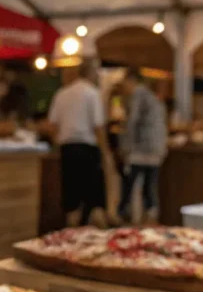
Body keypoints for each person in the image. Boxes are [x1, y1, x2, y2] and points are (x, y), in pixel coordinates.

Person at [46, 64, 108, 227]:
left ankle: (70, 237)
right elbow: (98, 127)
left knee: (71, 199)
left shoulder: (61, 94)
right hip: (88, 150)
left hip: (68, 150)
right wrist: (106, 153)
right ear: (90, 73)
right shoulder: (92, 93)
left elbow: (51, 126)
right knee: (94, 201)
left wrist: (58, 143)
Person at [116, 68, 168, 224]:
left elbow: (132, 122)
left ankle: (125, 219)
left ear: (131, 80)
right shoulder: (152, 97)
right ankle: (149, 219)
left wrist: (125, 147)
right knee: (149, 187)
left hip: (141, 149)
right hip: (156, 148)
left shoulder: (138, 94)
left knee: (129, 185)